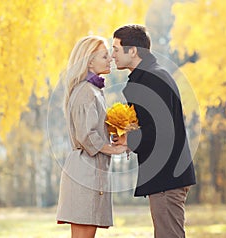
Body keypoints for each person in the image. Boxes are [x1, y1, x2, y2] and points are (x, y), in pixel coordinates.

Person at [111, 25, 196, 238]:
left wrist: (128, 138)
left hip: (167, 176)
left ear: (133, 51)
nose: (112, 56)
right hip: (166, 175)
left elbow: (164, 132)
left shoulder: (152, 79)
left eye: (116, 49)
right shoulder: (150, 76)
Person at [56, 36, 127, 238]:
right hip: (85, 172)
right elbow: (87, 136)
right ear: (89, 61)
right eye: (105, 56)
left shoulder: (93, 90)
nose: (110, 59)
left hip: (90, 170)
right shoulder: (86, 91)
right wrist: (115, 149)